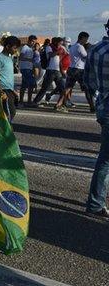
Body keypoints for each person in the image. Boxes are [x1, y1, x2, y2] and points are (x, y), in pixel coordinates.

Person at [83, 19, 109, 220]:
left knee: (105, 159)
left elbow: (88, 82)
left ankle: (96, 201)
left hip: (103, 108)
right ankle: (95, 203)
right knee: (106, 161)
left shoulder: (94, 50)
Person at [55, 32, 95, 113]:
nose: (86, 41)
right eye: (86, 39)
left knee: (67, 88)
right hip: (79, 70)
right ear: (82, 38)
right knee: (87, 89)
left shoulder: (72, 46)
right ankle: (92, 107)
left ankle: (58, 104)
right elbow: (86, 57)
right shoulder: (80, 47)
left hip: (71, 68)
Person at [0, 36, 20, 121]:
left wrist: (13, 91)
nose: (16, 50)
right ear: (7, 46)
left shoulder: (9, 58)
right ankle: (5, 130)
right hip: (3, 90)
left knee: (9, 113)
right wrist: (1, 91)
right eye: (15, 48)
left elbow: (8, 76)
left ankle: (5, 129)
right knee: (10, 112)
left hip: (9, 90)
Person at [31, 37, 66, 107]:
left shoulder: (59, 48)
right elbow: (51, 55)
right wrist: (59, 51)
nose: (60, 45)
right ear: (56, 42)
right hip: (50, 71)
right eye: (59, 43)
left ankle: (61, 104)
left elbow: (61, 59)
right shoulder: (49, 47)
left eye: (61, 44)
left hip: (57, 71)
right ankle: (35, 101)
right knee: (44, 88)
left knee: (63, 88)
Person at [18, 35, 40, 106]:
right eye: (32, 41)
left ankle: (22, 101)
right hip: (25, 68)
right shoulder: (25, 47)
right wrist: (29, 60)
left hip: (29, 68)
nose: (33, 43)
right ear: (29, 41)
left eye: (34, 42)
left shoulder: (31, 49)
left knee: (24, 85)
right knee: (31, 84)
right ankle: (29, 101)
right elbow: (21, 57)